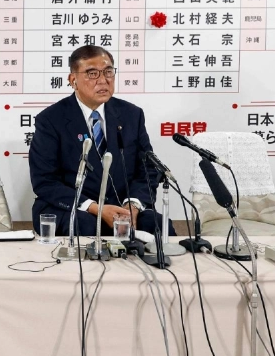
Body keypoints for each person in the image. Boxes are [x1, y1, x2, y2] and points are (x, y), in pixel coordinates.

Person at [29, 44, 172, 238]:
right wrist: (95, 207)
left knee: (159, 226)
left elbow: (147, 169)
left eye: (108, 72)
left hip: (122, 206)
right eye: (92, 73)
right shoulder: (50, 120)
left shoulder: (131, 115)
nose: (103, 80)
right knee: (86, 225)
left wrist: (133, 204)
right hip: (72, 207)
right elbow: (45, 181)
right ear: (73, 80)